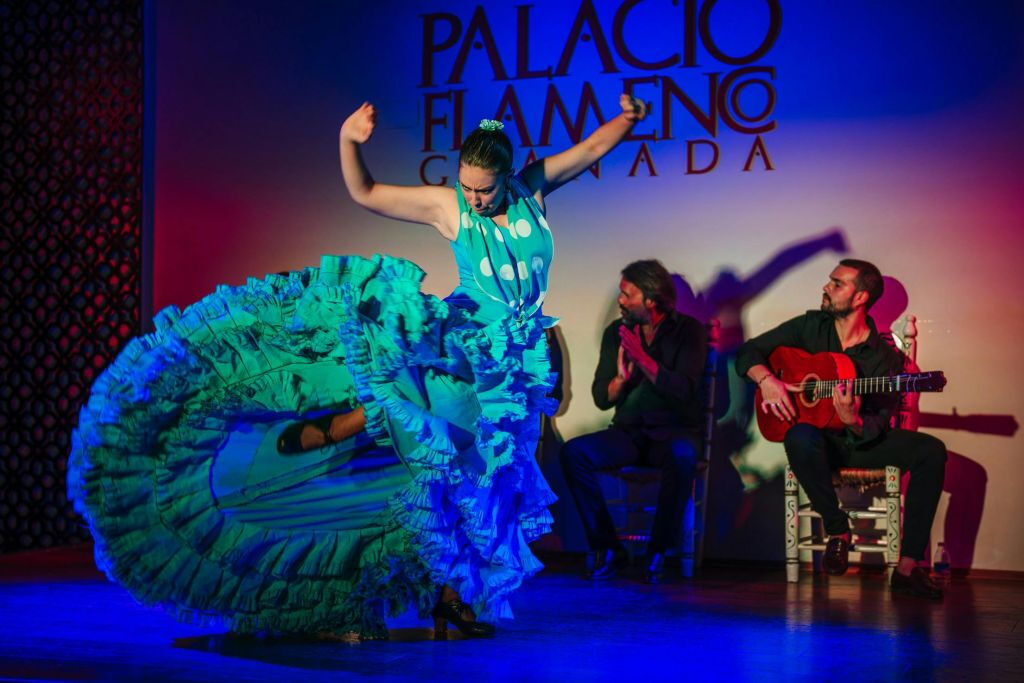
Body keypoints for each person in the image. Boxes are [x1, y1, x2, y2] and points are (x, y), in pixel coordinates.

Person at [68, 94, 648, 640]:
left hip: (518, 364)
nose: (475, 198)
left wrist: (628, 119)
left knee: (488, 481)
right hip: (468, 347)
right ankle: (337, 429)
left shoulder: (531, 192)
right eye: (468, 187)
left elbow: (592, 149)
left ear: (508, 176)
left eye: (484, 190)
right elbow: (366, 191)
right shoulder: (451, 209)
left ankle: (451, 594)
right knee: (439, 452)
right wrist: (350, 140)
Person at [735, 259, 947, 599]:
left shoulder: (883, 359)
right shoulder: (811, 327)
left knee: (931, 451)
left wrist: (854, 420)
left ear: (861, 297)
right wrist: (768, 380)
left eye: (837, 283)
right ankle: (837, 529)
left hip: (860, 442)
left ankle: (908, 568)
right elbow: (749, 351)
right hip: (818, 443)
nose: (826, 287)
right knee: (798, 436)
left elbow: (880, 419)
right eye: (830, 281)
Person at [560, 260, 707, 584]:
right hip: (628, 434)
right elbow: (602, 396)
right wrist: (622, 381)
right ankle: (608, 548)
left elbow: (683, 390)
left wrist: (642, 358)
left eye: (628, 294)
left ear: (652, 299)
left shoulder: (689, 331)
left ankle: (658, 550)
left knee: (683, 455)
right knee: (574, 453)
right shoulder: (618, 333)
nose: (621, 301)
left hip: (673, 432)